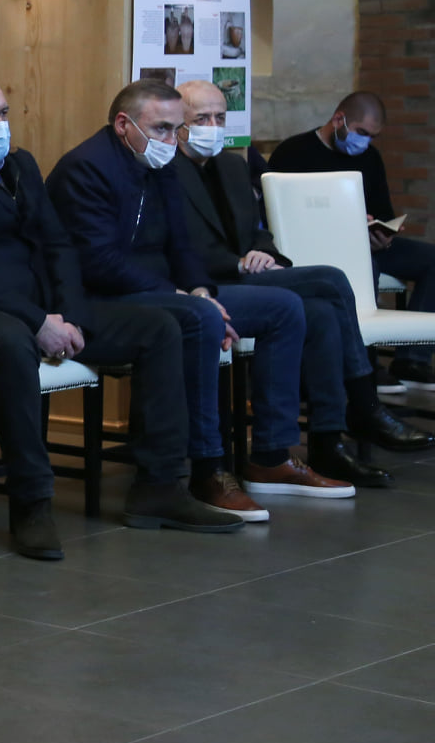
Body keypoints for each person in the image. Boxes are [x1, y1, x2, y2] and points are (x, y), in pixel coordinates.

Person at [0, 71, 244, 554]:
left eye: (2, 113)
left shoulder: (19, 165)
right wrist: (37, 323)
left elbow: (57, 245)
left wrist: (69, 314)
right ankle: (32, 502)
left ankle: (159, 486)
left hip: (36, 309)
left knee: (164, 326)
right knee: (9, 342)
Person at [47, 79, 351, 522]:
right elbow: (99, 262)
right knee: (199, 319)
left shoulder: (160, 163)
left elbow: (182, 247)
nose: (172, 139)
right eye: (162, 128)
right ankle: (209, 468)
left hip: (165, 293)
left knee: (284, 308)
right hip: (105, 299)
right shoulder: (86, 168)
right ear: (123, 124)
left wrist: (200, 290)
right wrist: (186, 299)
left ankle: (270, 456)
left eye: (176, 129)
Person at [176, 80, 427, 465]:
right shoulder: (167, 172)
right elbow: (180, 246)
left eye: (220, 118)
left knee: (322, 311)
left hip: (253, 275)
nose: (213, 126)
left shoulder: (231, 165)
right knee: (329, 279)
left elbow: (257, 230)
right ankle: (365, 405)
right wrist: (239, 262)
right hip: (207, 284)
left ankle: (327, 441)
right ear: (179, 124)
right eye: (201, 119)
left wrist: (264, 252)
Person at [267, 93, 435, 379]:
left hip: (366, 244)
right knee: (365, 268)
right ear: (338, 120)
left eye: (372, 136)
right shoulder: (293, 152)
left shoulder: (370, 158)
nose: (365, 142)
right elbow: (278, 215)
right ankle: (363, 366)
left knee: (430, 259)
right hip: (314, 247)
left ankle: (412, 359)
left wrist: (383, 234)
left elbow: (383, 212)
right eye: (361, 132)